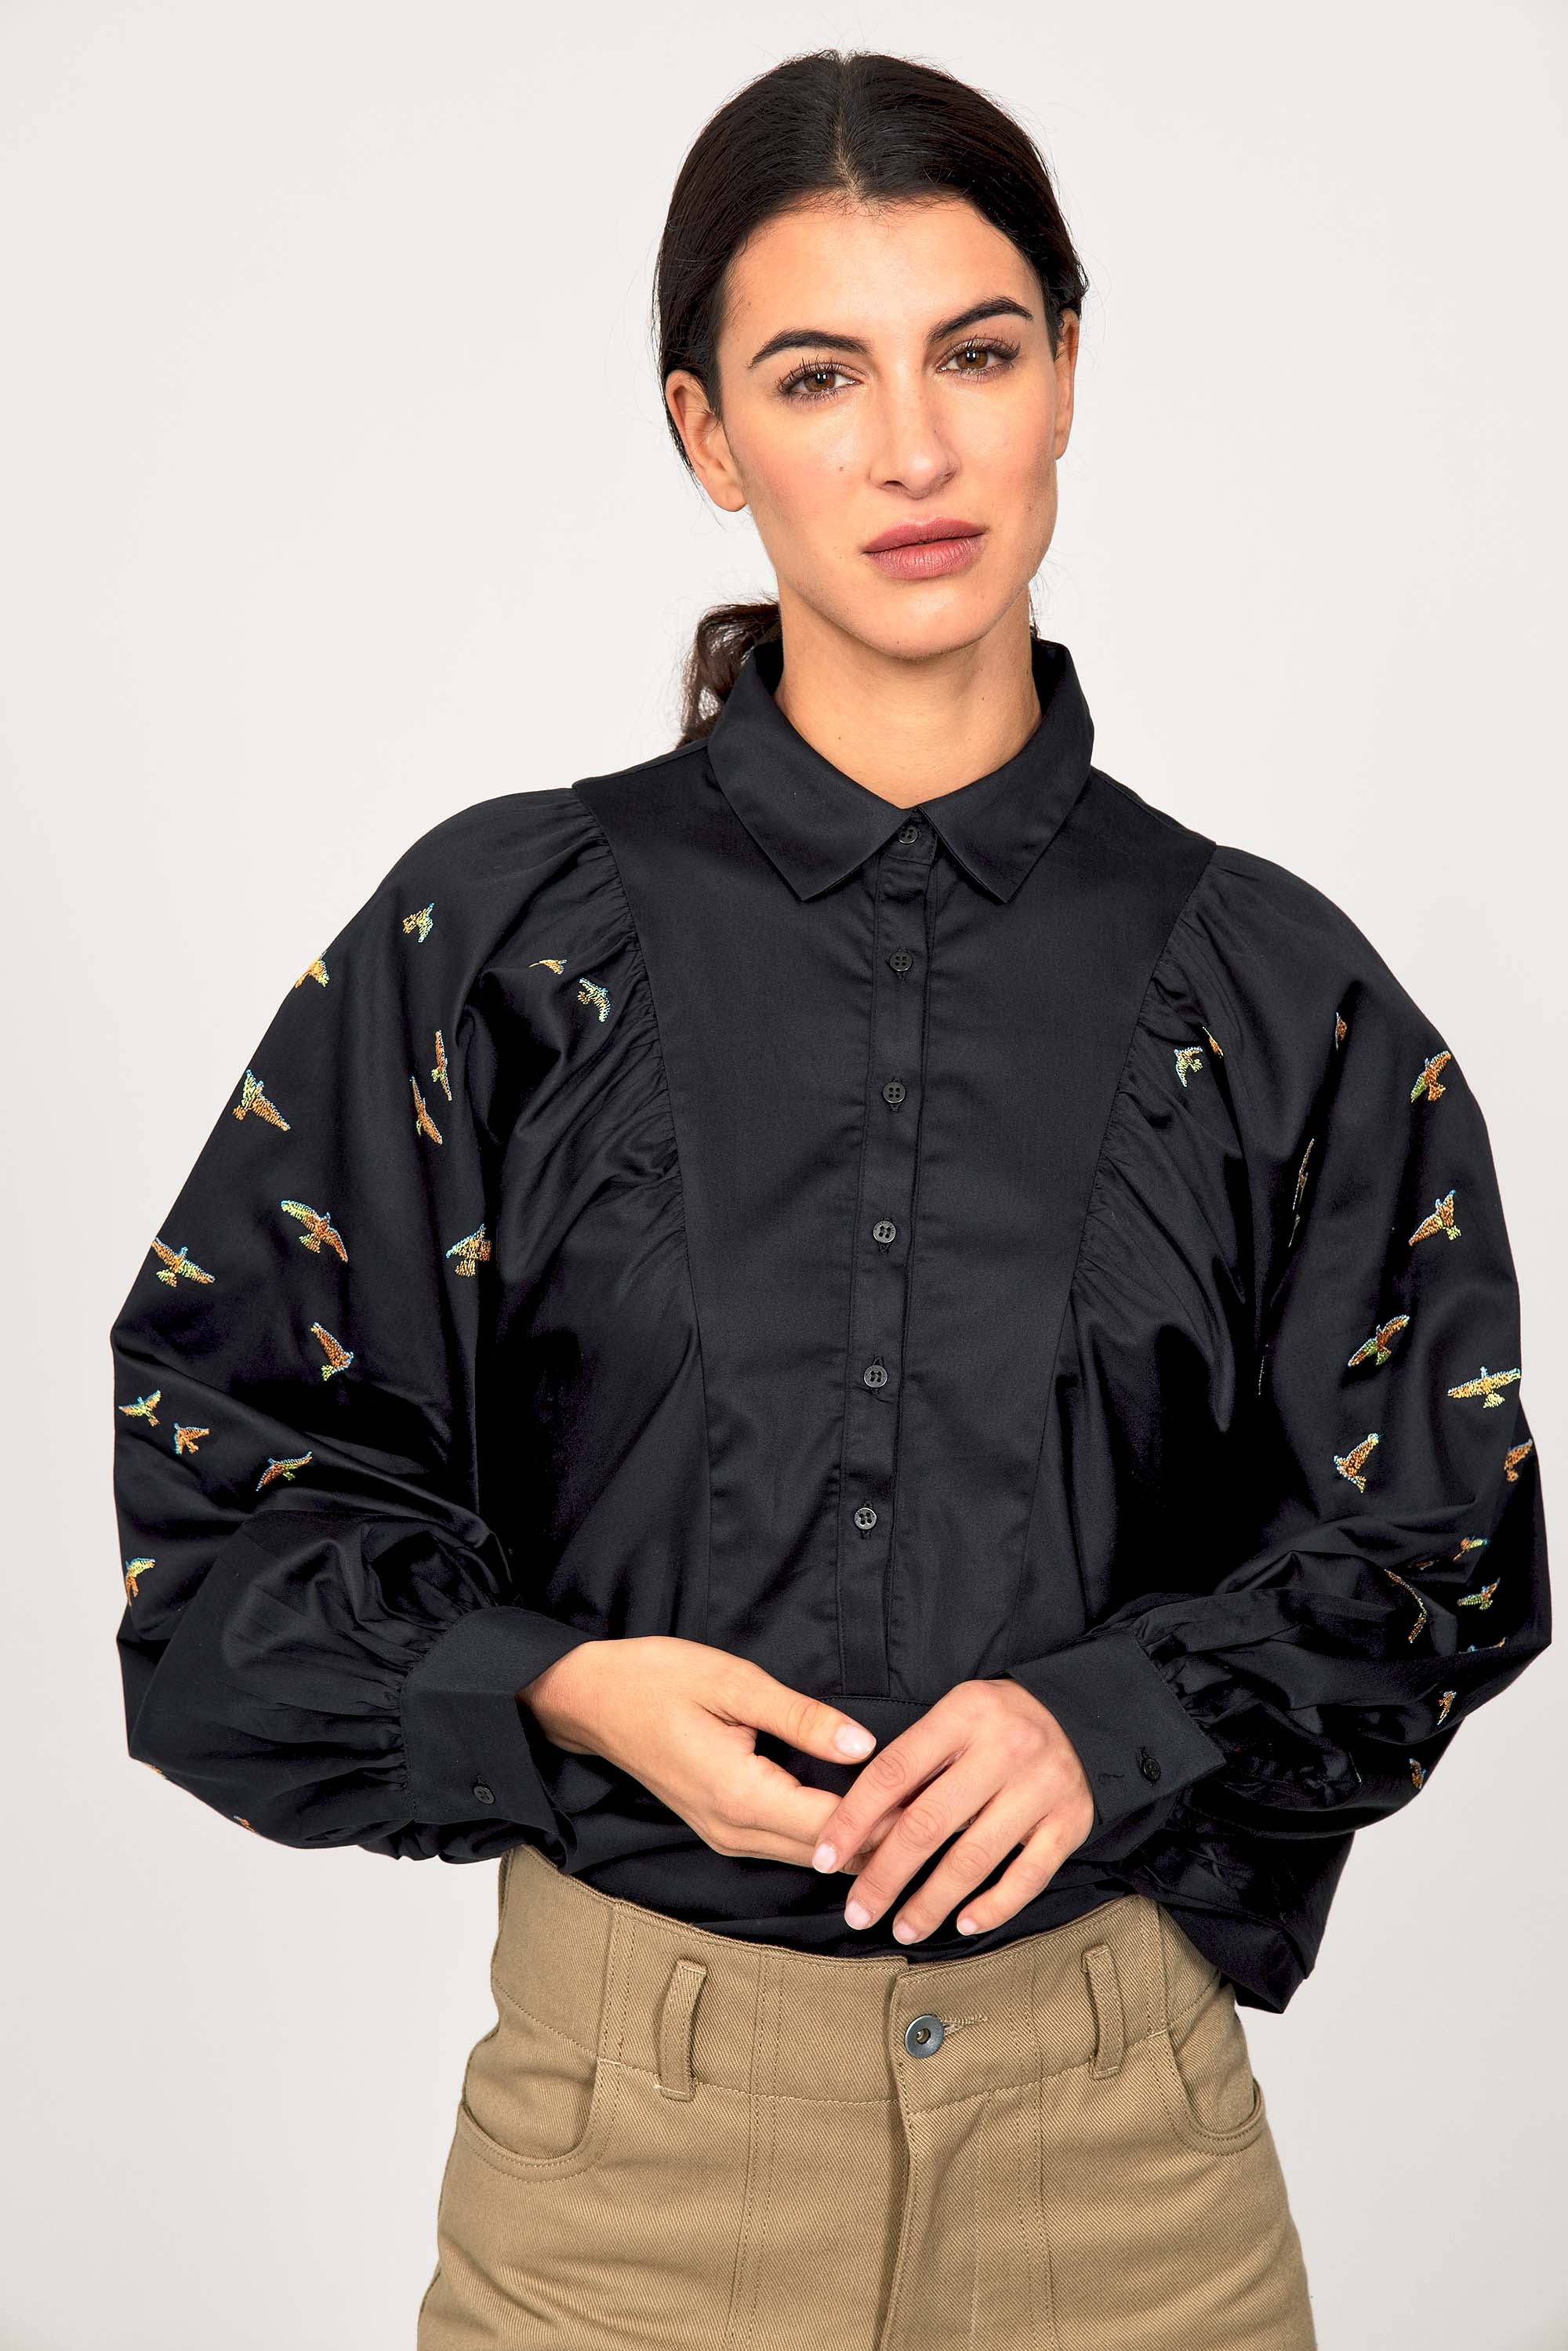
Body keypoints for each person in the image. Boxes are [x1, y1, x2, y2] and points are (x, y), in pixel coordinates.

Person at [108, 46, 1549, 2351]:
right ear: (706, 435)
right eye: (816, 376)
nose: (911, 451)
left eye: (975, 353)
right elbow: (219, 1507)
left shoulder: (1283, 997)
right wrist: (560, 1686)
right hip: (624, 2180)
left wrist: (1119, 1716)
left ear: (1067, 372)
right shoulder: (493, 947)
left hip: (1129, 2182)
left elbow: (1445, 1542)